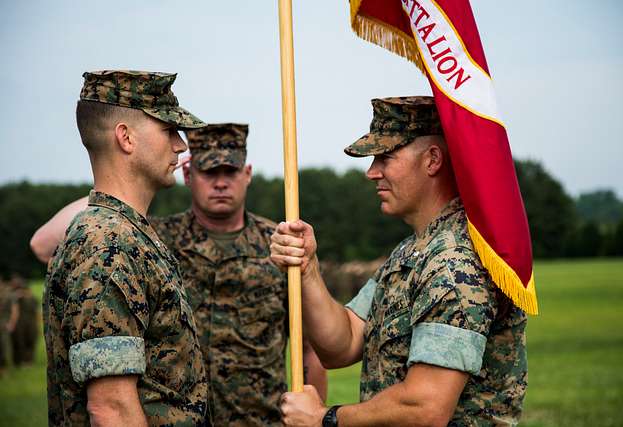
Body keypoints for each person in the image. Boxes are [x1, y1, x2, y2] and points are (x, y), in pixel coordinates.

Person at [31, 123, 327, 426]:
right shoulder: (151, 238)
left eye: (230, 172)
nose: (221, 183)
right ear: (187, 174)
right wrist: (136, 179)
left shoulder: (281, 245)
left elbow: (311, 351)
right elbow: (43, 244)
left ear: (247, 174)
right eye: (209, 172)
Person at [270, 96, 528, 426]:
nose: (371, 172)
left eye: (385, 157)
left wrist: (326, 419)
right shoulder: (413, 252)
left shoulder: (454, 264)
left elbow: (426, 408)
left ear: (433, 160)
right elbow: (343, 343)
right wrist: (307, 269)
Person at [43, 70, 208, 426]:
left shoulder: (127, 233)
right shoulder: (109, 244)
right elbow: (111, 408)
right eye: (168, 131)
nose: (181, 145)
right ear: (126, 137)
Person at [9, 274, 39, 366]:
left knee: (30, 340)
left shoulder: (31, 298)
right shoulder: (13, 297)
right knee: (19, 341)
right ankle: (19, 361)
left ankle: (28, 360)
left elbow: (36, 311)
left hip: (30, 322)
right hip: (19, 322)